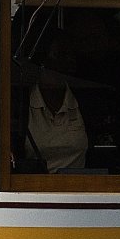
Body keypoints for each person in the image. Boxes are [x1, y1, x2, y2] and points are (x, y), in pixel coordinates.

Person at [26, 30, 89, 173]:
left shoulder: (85, 102)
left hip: (81, 189)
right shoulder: (20, 104)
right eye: (60, 55)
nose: (68, 61)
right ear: (41, 61)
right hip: (30, 190)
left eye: (72, 56)